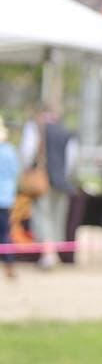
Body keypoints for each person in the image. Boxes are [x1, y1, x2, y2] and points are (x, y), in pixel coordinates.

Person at [21, 104, 77, 269]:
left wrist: (28, 170)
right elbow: (72, 157)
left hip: (42, 179)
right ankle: (53, 253)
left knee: (42, 216)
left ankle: (48, 255)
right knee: (57, 217)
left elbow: (27, 151)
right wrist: (64, 175)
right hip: (62, 181)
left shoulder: (35, 128)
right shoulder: (66, 130)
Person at [0, 117, 17, 279]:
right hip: (5, 199)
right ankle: (9, 265)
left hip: (4, 198)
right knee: (5, 234)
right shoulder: (10, 151)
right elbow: (14, 174)